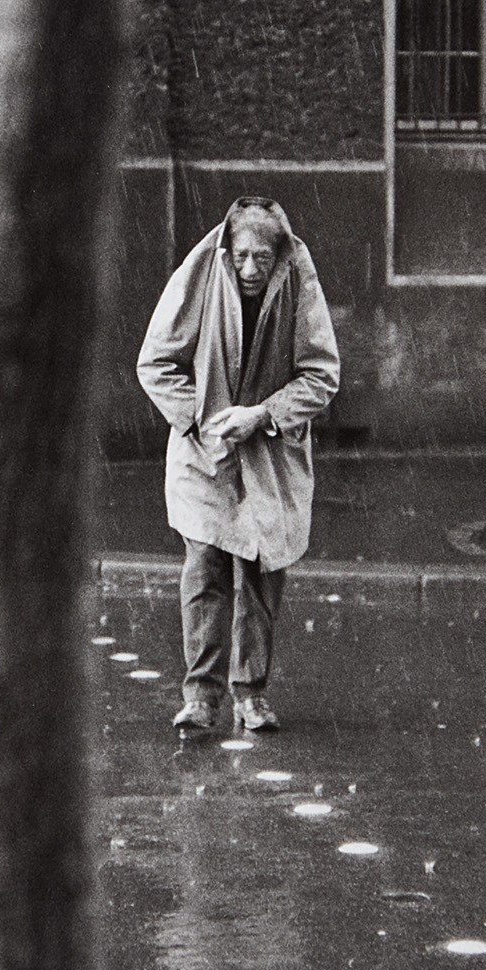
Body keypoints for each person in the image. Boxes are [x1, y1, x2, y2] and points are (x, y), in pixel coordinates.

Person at [136, 195, 340, 734]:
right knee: (204, 567)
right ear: (228, 251)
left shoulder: (299, 280)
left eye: (262, 259)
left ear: (279, 256)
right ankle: (201, 696)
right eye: (242, 256)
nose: (250, 269)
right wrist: (201, 420)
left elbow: (321, 375)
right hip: (205, 453)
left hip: (270, 453)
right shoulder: (201, 273)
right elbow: (155, 363)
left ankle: (251, 694)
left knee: (260, 574)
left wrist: (263, 415)